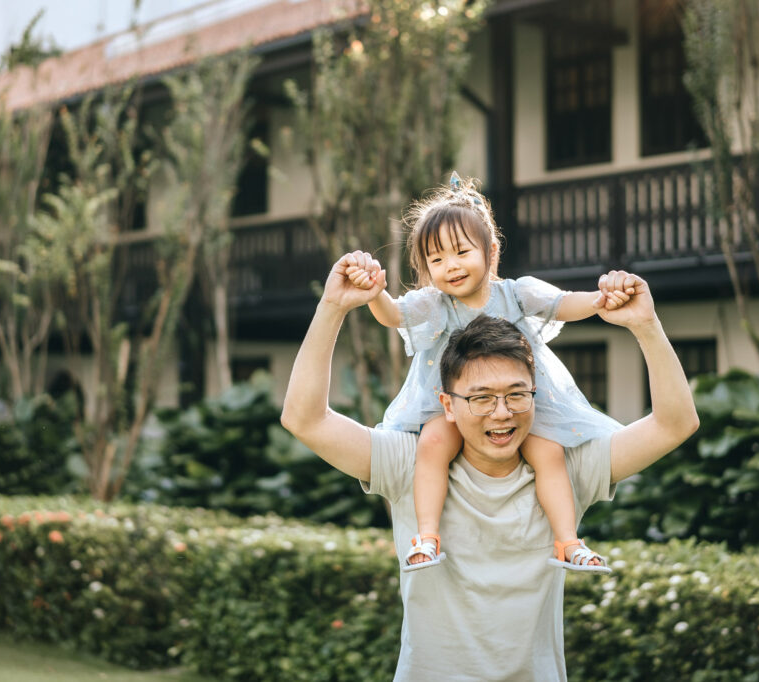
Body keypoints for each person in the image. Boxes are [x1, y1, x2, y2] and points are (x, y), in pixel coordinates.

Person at [280, 261, 699, 681]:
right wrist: (332, 306)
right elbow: (305, 419)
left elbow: (675, 424)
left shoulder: (565, 467)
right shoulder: (411, 464)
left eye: (517, 394)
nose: (502, 413)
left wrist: (646, 325)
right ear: (447, 405)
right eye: (481, 398)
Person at [343, 174, 630, 573]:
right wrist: (374, 292)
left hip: (514, 403)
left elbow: (564, 304)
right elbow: (393, 315)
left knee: (547, 453)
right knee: (431, 445)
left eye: (461, 252)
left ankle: (568, 541)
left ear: (491, 252)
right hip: (449, 406)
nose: (450, 266)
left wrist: (602, 299)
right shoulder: (434, 303)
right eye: (436, 259)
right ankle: (426, 536)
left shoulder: (515, 292)